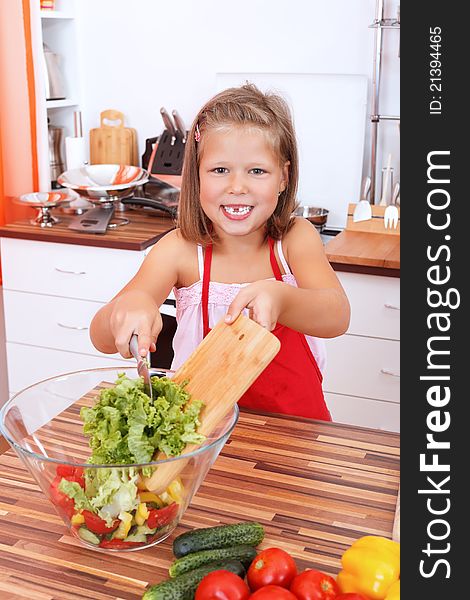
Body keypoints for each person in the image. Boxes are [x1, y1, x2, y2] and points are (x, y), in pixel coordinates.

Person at [90, 84, 350, 420]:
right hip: (200, 433)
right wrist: (130, 306)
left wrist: (282, 298)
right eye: (219, 170)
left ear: (283, 177)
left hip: (297, 431)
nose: (237, 186)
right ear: (197, 176)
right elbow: (100, 337)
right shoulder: (180, 250)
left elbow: (337, 316)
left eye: (257, 171)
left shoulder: (294, 240)